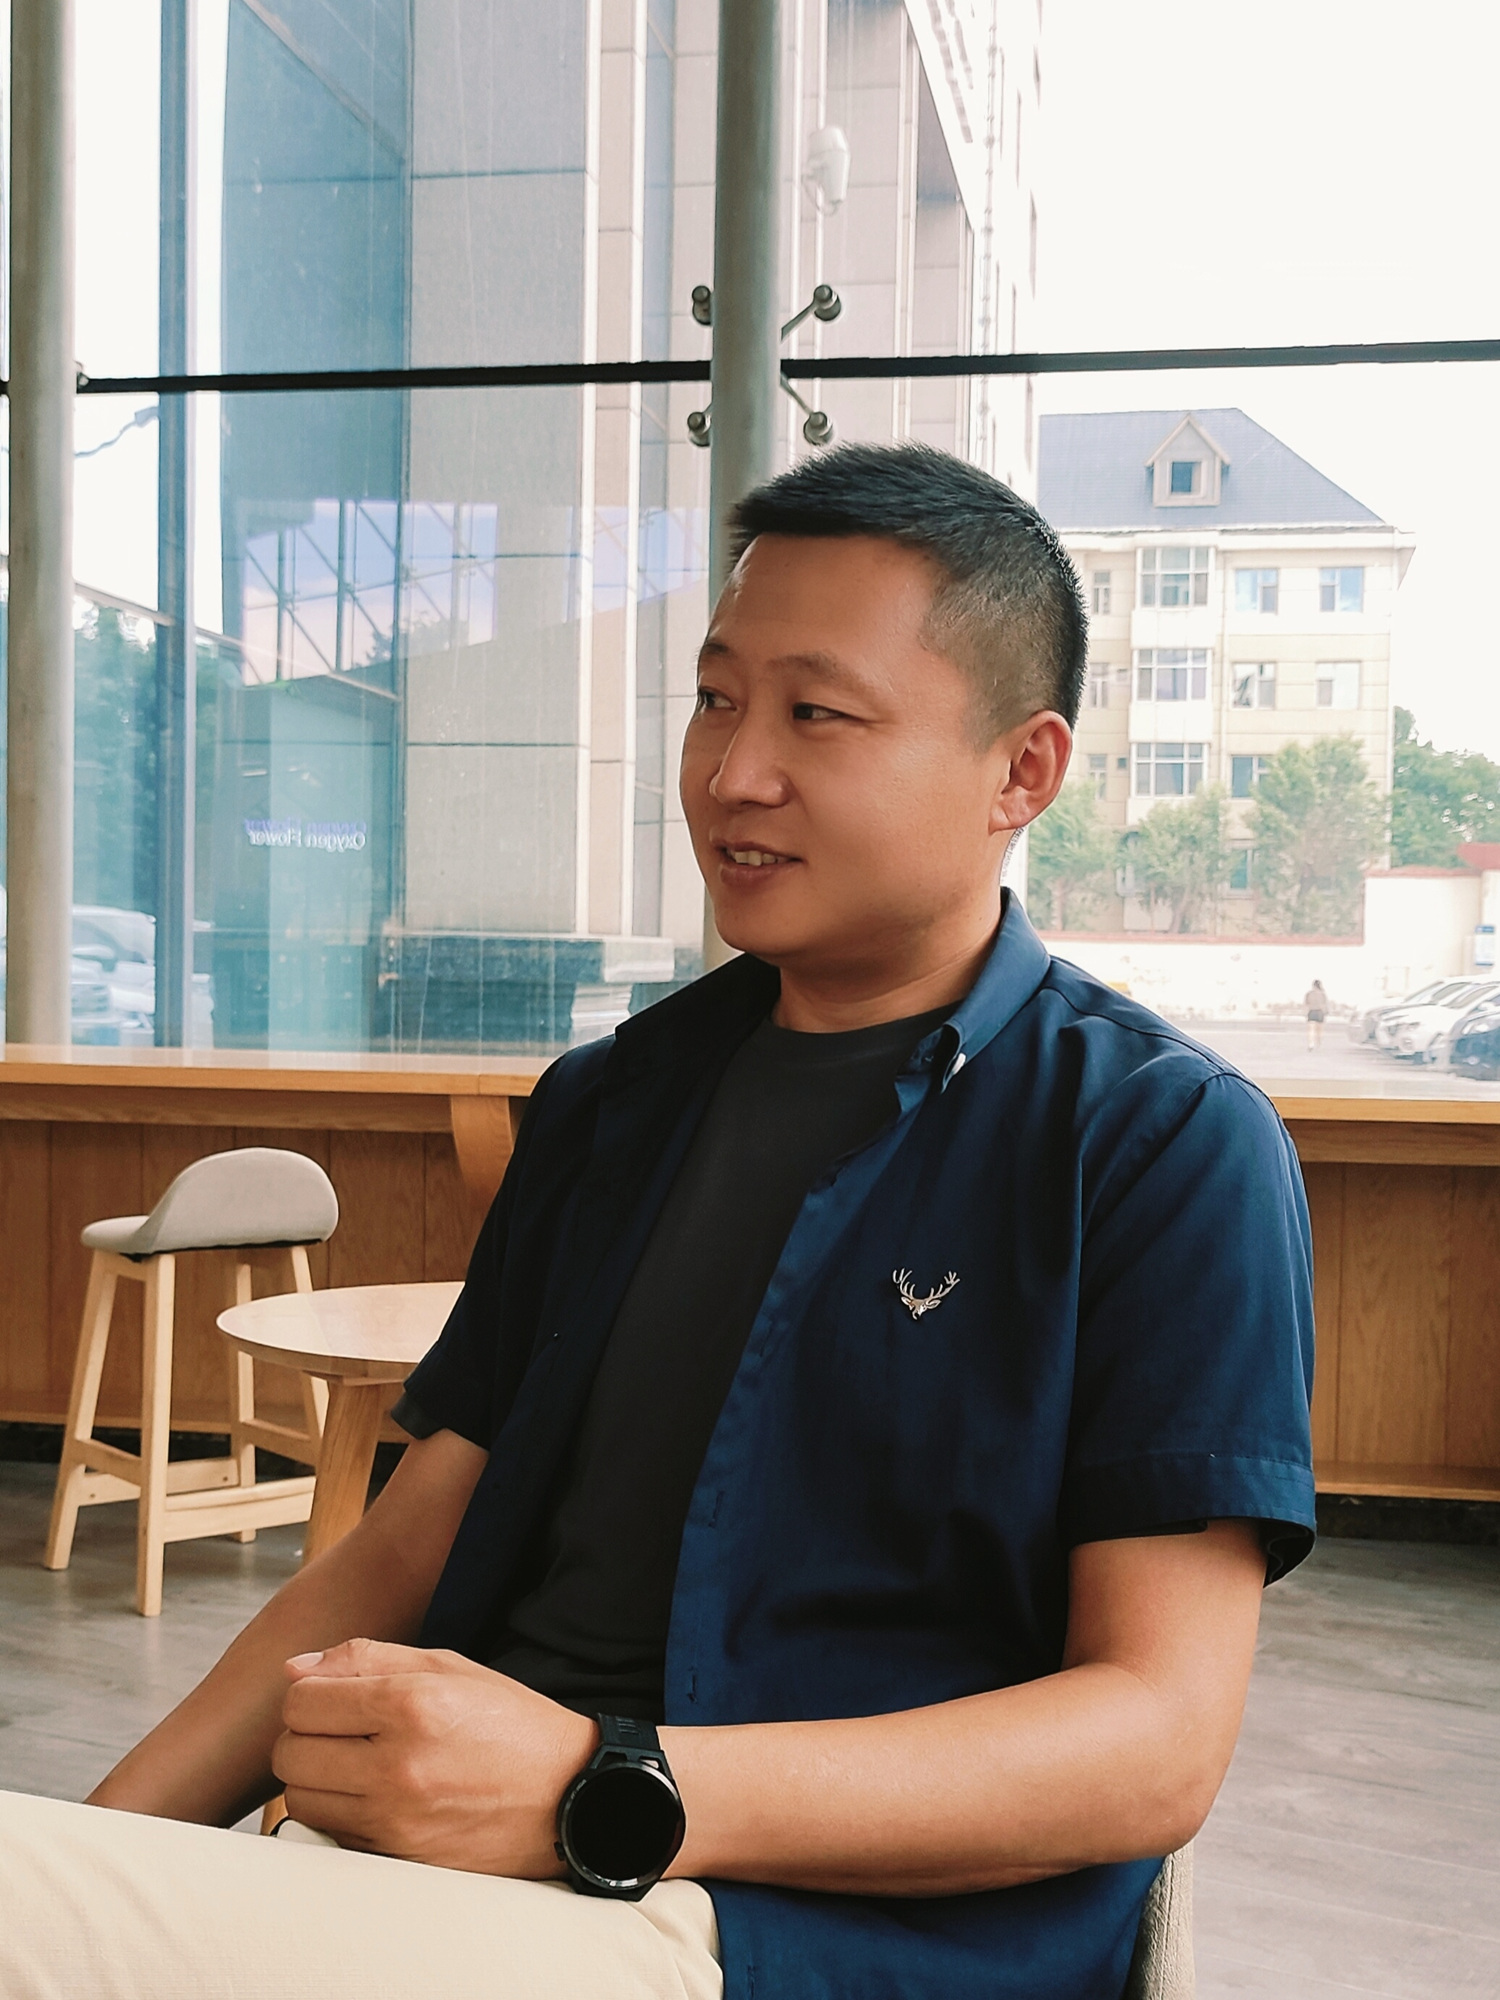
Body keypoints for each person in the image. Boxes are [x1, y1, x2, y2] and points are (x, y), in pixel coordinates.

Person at [0, 445, 1316, 2000]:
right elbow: (403, 1549)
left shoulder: (1157, 1142)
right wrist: (110, 1853)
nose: (733, 772)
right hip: (452, 1875)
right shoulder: (608, 1102)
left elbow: (1156, 1741)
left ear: (1022, 774)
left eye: (817, 715)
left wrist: (603, 1785)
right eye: (714, 699)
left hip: (798, 1931)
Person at [1306, 979, 1328, 1051]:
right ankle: (1318, 1043)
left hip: (1312, 1012)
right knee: (1319, 1031)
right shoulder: (1323, 994)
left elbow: (1306, 1003)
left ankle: (1311, 1044)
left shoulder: (1309, 994)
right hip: (1320, 1013)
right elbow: (1325, 1004)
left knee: (1311, 1030)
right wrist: (1326, 1012)